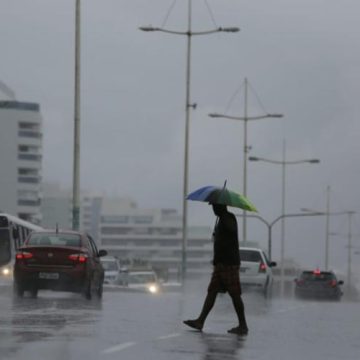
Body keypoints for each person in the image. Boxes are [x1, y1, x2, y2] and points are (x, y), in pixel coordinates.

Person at [183, 203, 248, 335]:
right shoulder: (221, 220)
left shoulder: (228, 218)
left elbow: (231, 230)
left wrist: (223, 222)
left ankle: (243, 325)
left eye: (214, 206)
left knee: (235, 294)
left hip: (228, 263)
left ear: (220, 207)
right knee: (212, 291)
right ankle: (200, 321)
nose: (213, 209)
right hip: (220, 264)